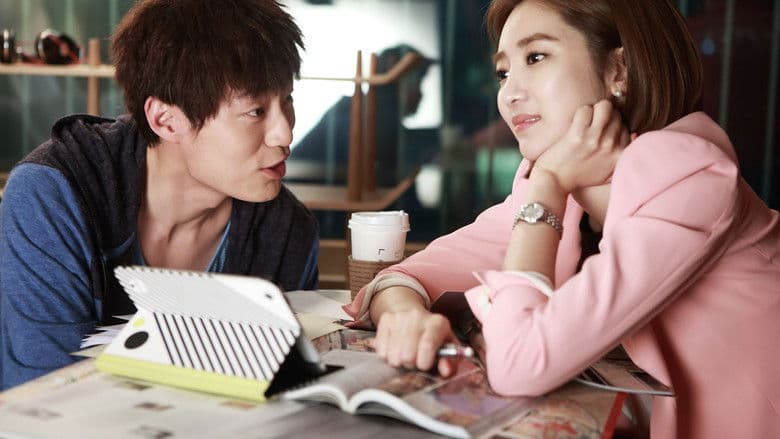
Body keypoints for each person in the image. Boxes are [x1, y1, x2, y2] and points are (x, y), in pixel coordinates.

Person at [344, 0, 780, 437]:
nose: (509, 94)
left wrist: (548, 185)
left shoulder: (685, 174)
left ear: (619, 71)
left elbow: (519, 366)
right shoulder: (564, 181)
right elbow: (412, 273)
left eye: (536, 57)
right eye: (503, 72)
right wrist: (405, 315)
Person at [0, 0, 319, 390]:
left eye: (287, 99)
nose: (285, 134)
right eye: (255, 111)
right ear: (165, 120)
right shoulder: (52, 194)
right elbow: (44, 394)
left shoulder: (287, 228)